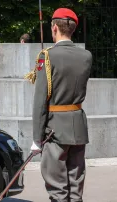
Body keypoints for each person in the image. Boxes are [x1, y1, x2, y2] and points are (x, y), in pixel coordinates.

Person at [28, 8, 93, 202]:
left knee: (57, 189)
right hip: (77, 125)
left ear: (54, 27)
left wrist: (37, 137)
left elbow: (40, 100)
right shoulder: (86, 56)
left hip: (54, 128)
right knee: (75, 188)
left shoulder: (47, 56)